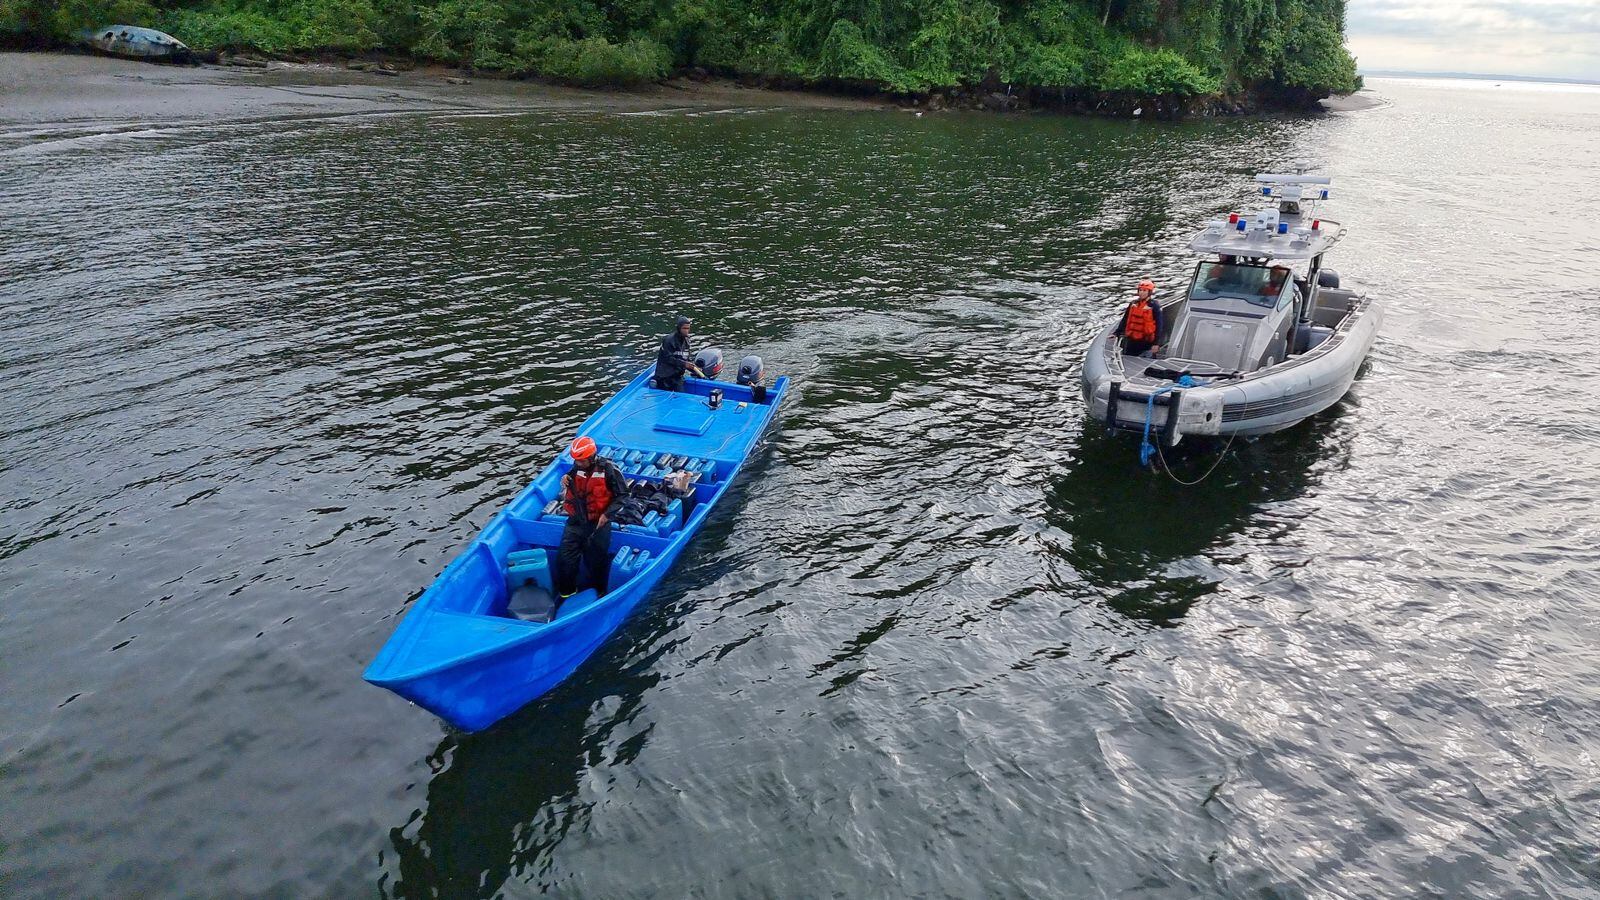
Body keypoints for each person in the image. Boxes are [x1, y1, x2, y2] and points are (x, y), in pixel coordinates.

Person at [556, 436, 626, 600]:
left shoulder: (609, 470)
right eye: (576, 461)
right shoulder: (577, 466)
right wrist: (565, 478)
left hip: (598, 524)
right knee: (565, 560)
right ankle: (567, 595)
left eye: (581, 461)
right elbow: (573, 477)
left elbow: (623, 495)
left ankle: (598, 594)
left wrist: (607, 515)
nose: (578, 463)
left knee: (596, 562)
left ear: (591, 457)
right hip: (576, 521)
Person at [1114, 279, 1164, 357]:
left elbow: (1159, 326)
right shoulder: (1133, 304)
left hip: (1147, 343)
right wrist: (1117, 333)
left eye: (1144, 290)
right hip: (1132, 341)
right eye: (1140, 290)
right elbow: (1125, 319)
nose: (1142, 292)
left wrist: (1156, 343)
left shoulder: (1154, 306)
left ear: (1149, 292)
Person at [654, 315, 704, 392]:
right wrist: (684, 364)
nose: (686, 331)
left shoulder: (687, 341)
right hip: (664, 377)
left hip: (677, 377)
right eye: (684, 328)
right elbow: (668, 358)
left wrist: (694, 368)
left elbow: (686, 358)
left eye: (688, 328)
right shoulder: (669, 340)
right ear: (679, 328)